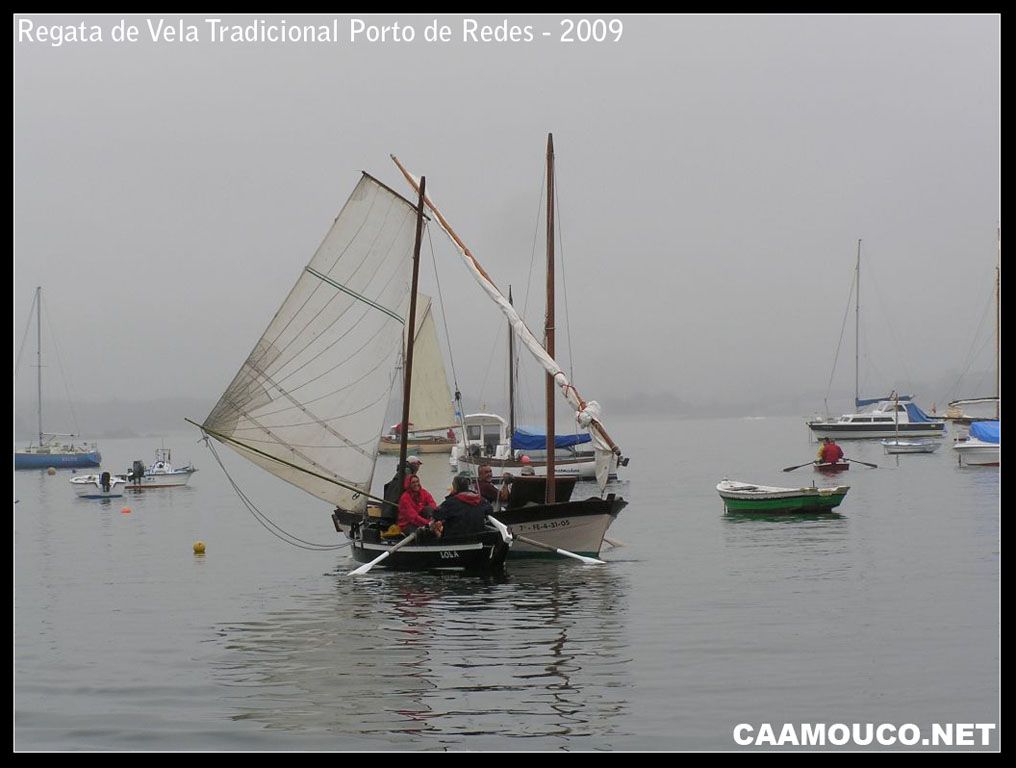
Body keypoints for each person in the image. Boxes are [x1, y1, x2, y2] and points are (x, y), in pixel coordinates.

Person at [434, 473, 492, 538]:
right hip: (478, 538)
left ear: (455, 487)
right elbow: (490, 510)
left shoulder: (451, 502)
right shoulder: (482, 500)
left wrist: (451, 495)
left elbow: (436, 515)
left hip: (455, 539)